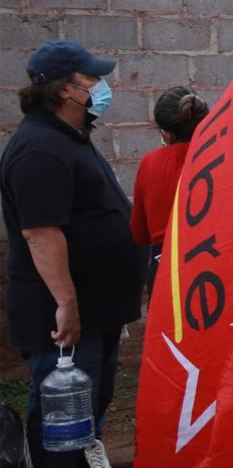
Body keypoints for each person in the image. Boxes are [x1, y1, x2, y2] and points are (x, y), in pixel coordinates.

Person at [1, 40, 145, 467]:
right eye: (92, 80)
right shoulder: (40, 149)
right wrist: (66, 304)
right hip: (62, 319)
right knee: (61, 427)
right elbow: (41, 234)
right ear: (66, 90)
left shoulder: (71, 138)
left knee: (86, 417)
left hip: (96, 311)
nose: (101, 88)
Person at [130, 87, 210, 296]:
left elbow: (140, 234)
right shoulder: (222, 159)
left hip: (167, 272)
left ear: (165, 133)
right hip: (215, 270)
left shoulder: (151, 163)